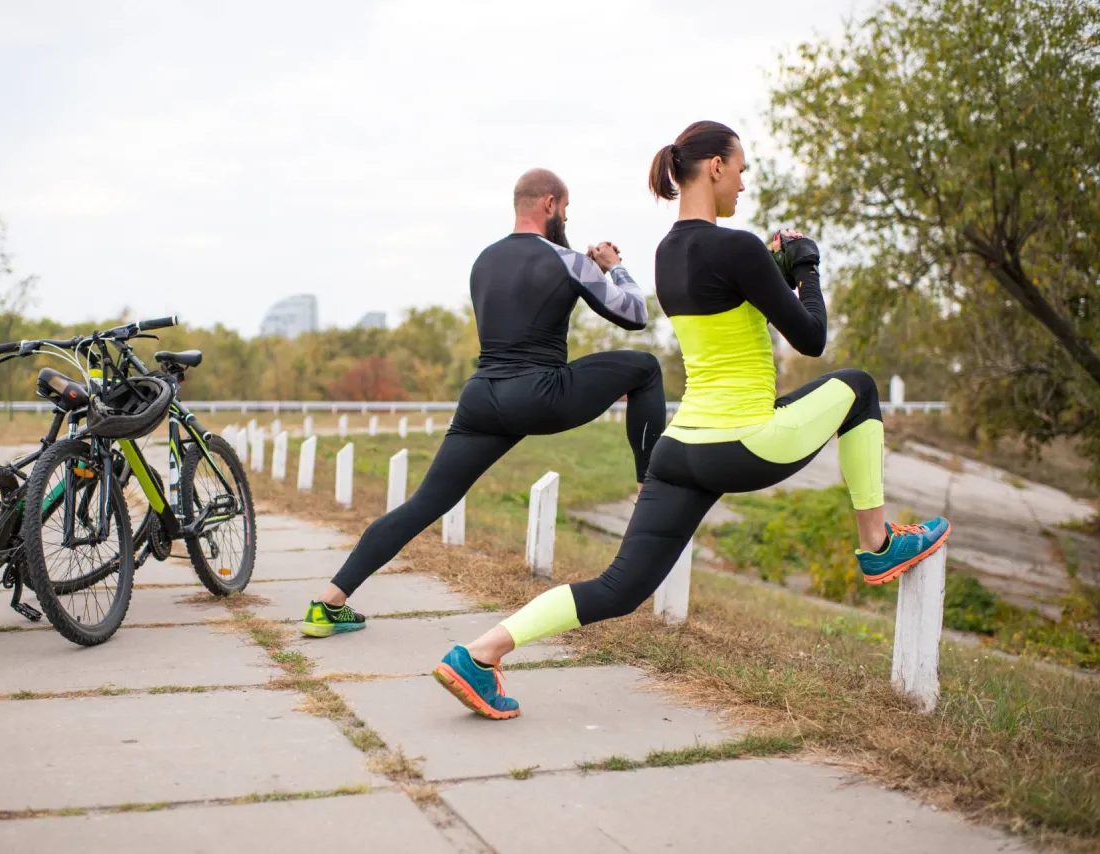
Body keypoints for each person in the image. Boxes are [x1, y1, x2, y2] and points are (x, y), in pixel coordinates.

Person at [431, 121, 952, 719]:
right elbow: (811, 338)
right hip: (743, 442)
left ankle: (479, 654)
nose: (744, 184)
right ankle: (877, 544)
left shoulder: (667, 254)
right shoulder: (738, 247)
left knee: (618, 588)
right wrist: (807, 268)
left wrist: (776, 272)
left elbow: (734, 312)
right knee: (859, 388)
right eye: (741, 170)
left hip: (679, 451)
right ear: (715, 167)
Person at [300, 168, 667, 638]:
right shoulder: (570, 261)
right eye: (566, 210)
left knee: (424, 503)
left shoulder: (484, 260)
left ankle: (328, 603)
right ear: (550, 204)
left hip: (482, 398)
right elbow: (634, 314)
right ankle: (650, 485)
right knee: (646, 368)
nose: (566, 219)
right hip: (540, 394)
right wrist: (613, 266)